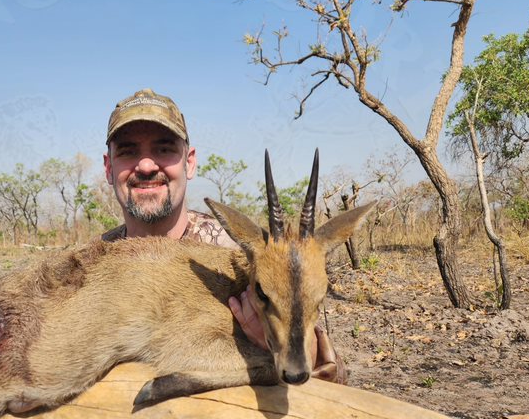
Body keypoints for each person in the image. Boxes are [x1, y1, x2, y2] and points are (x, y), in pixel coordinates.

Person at [101, 88, 346, 384]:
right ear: (108, 167)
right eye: (128, 151)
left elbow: (328, 372)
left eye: (164, 149)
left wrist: (271, 345)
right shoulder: (96, 262)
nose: (146, 165)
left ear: (189, 162)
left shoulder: (238, 256)